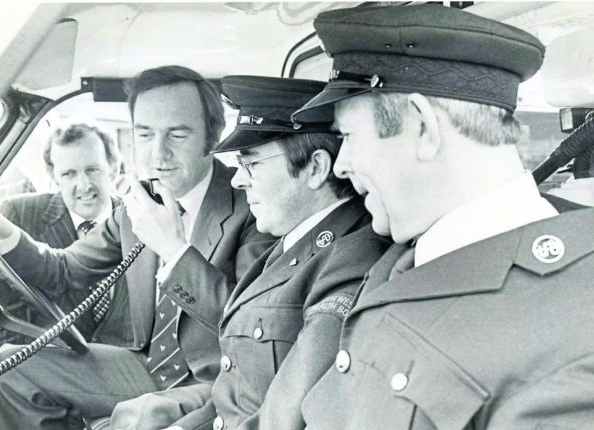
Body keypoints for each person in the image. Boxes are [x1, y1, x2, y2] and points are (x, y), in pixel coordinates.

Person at [292, 4, 594, 429]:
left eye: (348, 136)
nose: (340, 165)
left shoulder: (585, 356)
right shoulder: (412, 253)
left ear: (422, 128)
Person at [0, 65, 274, 429]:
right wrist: (1, 230)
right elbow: (64, 270)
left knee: (140, 418)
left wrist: (174, 249)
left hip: (217, 378)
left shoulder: (254, 208)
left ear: (212, 136)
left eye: (178, 135)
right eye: (145, 134)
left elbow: (252, 326)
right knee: (9, 367)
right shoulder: (137, 206)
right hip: (146, 364)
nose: (158, 154)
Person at [108, 75, 390, 430]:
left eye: (252, 164)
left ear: (316, 168)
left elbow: (286, 413)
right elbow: (240, 385)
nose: (238, 180)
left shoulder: (350, 261)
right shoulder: (290, 246)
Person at [0, 121, 127, 349]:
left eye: (92, 170)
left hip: (125, 363)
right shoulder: (20, 214)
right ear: (54, 176)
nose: (84, 186)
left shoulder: (137, 218)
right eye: (69, 174)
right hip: (43, 357)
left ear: (113, 168)